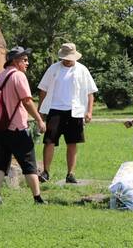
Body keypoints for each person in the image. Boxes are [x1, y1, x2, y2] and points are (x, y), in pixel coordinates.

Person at [0, 45, 47, 205]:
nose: (27, 63)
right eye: (24, 60)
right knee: (29, 163)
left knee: (1, 163)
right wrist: (39, 119)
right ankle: (38, 198)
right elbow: (27, 101)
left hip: (1, 128)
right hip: (17, 128)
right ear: (15, 61)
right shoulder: (19, 76)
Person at [37, 43, 98, 184]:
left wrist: (89, 111)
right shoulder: (53, 69)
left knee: (72, 143)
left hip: (75, 111)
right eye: (65, 58)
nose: (68, 60)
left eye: (70, 58)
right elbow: (43, 90)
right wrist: (41, 111)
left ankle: (70, 174)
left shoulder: (82, 70)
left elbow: (90, 92)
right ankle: (46, 172)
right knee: (49, 142)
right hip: (54, 109)